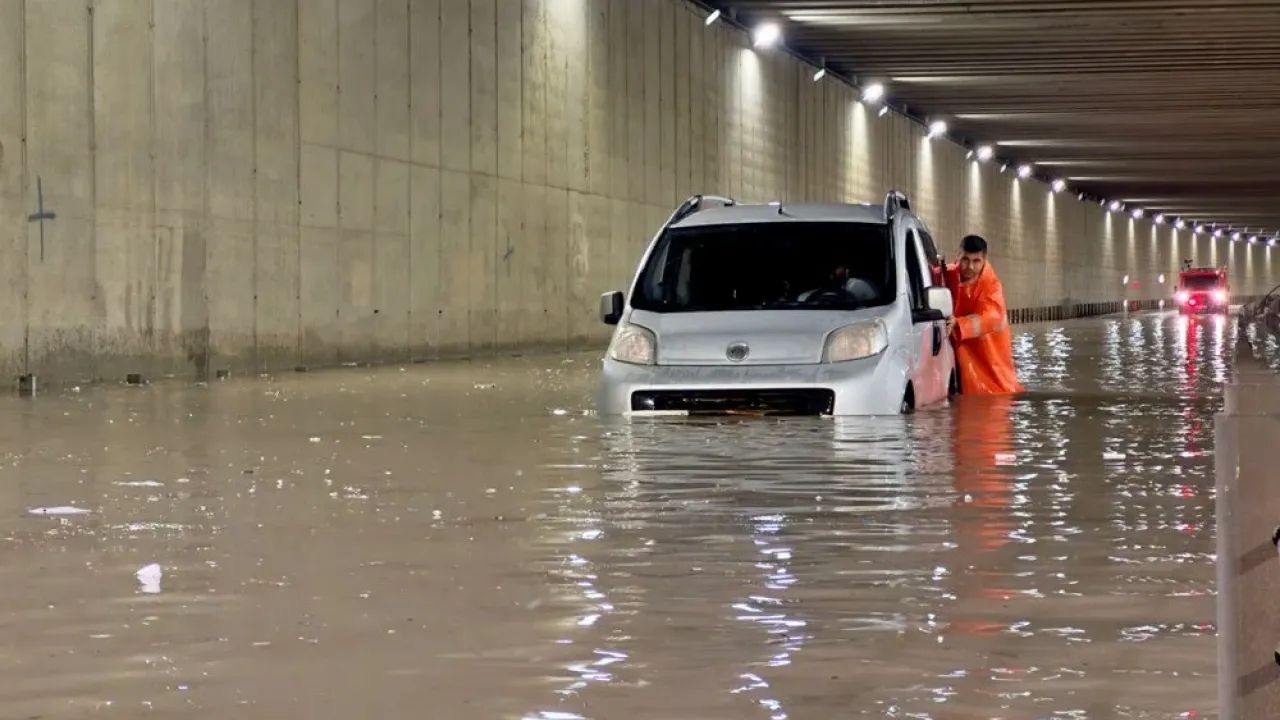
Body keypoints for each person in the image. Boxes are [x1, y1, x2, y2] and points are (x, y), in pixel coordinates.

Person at [943, 235, 1023, 395]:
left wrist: (959, 324)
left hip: (989, 355)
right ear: (958, 256)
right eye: (965, 259)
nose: (970, 267)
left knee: (994, 393)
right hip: (960, 350)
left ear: (984, 260)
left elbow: (993, 317)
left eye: (976, 261)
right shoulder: (948, 274)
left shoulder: (992, 286)